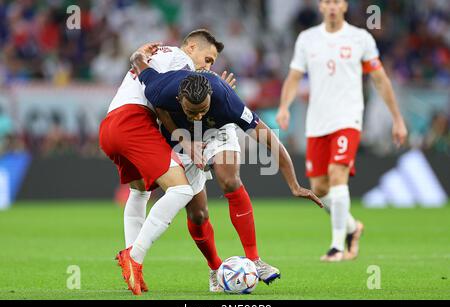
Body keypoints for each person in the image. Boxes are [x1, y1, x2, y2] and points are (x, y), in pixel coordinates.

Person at [129, 49, 324, 285]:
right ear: (179, 99)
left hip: (218, 130)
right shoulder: (159, 88)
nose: (199, 116)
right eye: (192, 111)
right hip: (181, 138)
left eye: (203, 109)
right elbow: (139, 63)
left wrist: (294, 184)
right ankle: (215, 269)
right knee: (198, 214)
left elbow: (270, 140)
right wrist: (140, 53)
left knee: (229, 179)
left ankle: (255, 260)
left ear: (211, 94)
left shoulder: (226, 100)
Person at [276, 0, 408, 262]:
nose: (332, 6)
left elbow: (380, 79)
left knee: (338, 175)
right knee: (320, 188)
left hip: (348, 118)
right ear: (321, 7)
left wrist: (397, 118)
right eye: (327, 2)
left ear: (345, 6)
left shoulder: (360, 38)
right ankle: (352, 227)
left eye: (337, 1)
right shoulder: (307, 38)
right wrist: (284, 107)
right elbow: (293, 77)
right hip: (317, 122)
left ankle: (337, 246)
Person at [99, 43, 195, 295]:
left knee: (139, 192)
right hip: (134, 122)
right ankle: (135, 255)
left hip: (110, 126)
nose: (207, 66)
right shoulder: (182, 58)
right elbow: (162, 101)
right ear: (192, 47)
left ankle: (133, 271)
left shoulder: (154, 53)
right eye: (208, 58)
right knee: (182, 190)